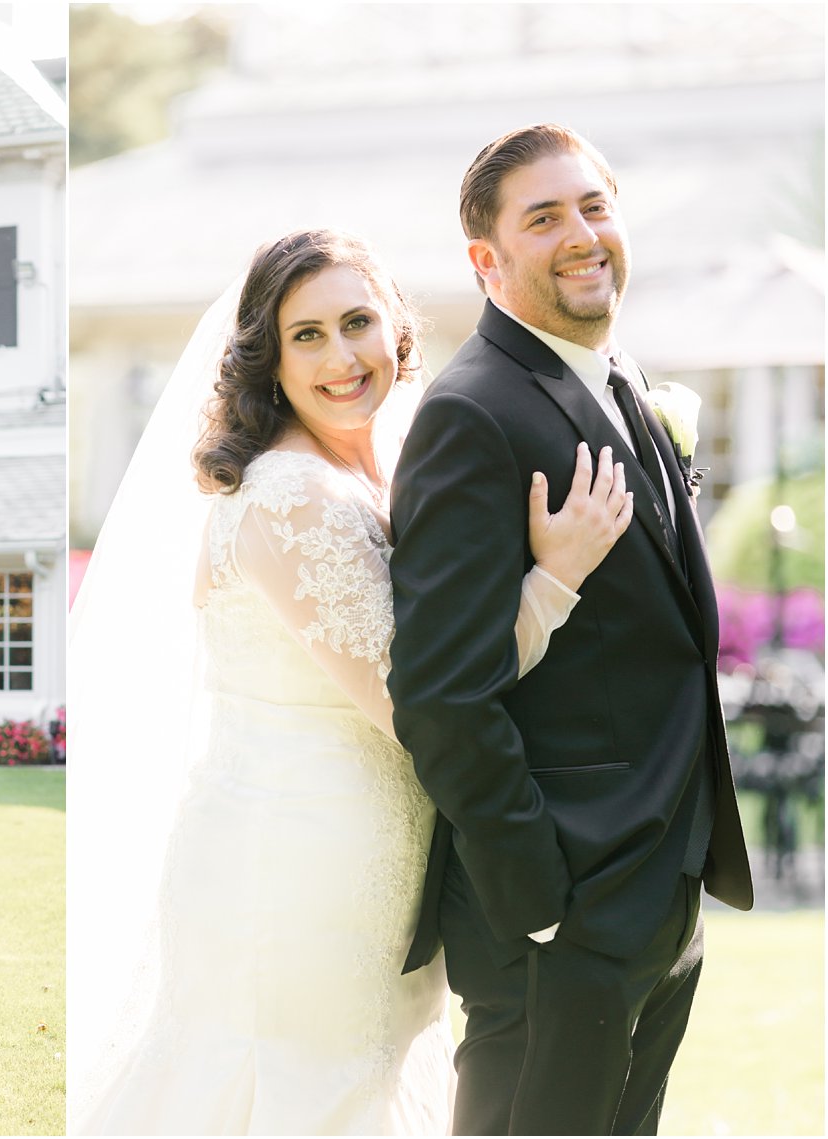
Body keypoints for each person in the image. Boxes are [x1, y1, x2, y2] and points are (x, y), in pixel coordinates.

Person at [69, 228, 632, 1134]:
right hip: (297, 873)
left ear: (396, 332)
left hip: (368, 864)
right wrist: (555, 576)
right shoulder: (292, 496)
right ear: (267, 356)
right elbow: (422, 701)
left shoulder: (369, 470)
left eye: (358, 322)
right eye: (308, 335)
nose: (342, 357)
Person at [388, 123, 754, 1135]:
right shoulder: (473, 411)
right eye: (542, 217)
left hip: (655, 880)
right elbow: (438, 690)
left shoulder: (616, 379)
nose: (580, 233)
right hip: (560, 910)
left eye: (592, 206)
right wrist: (534, 894)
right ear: (486, 259)